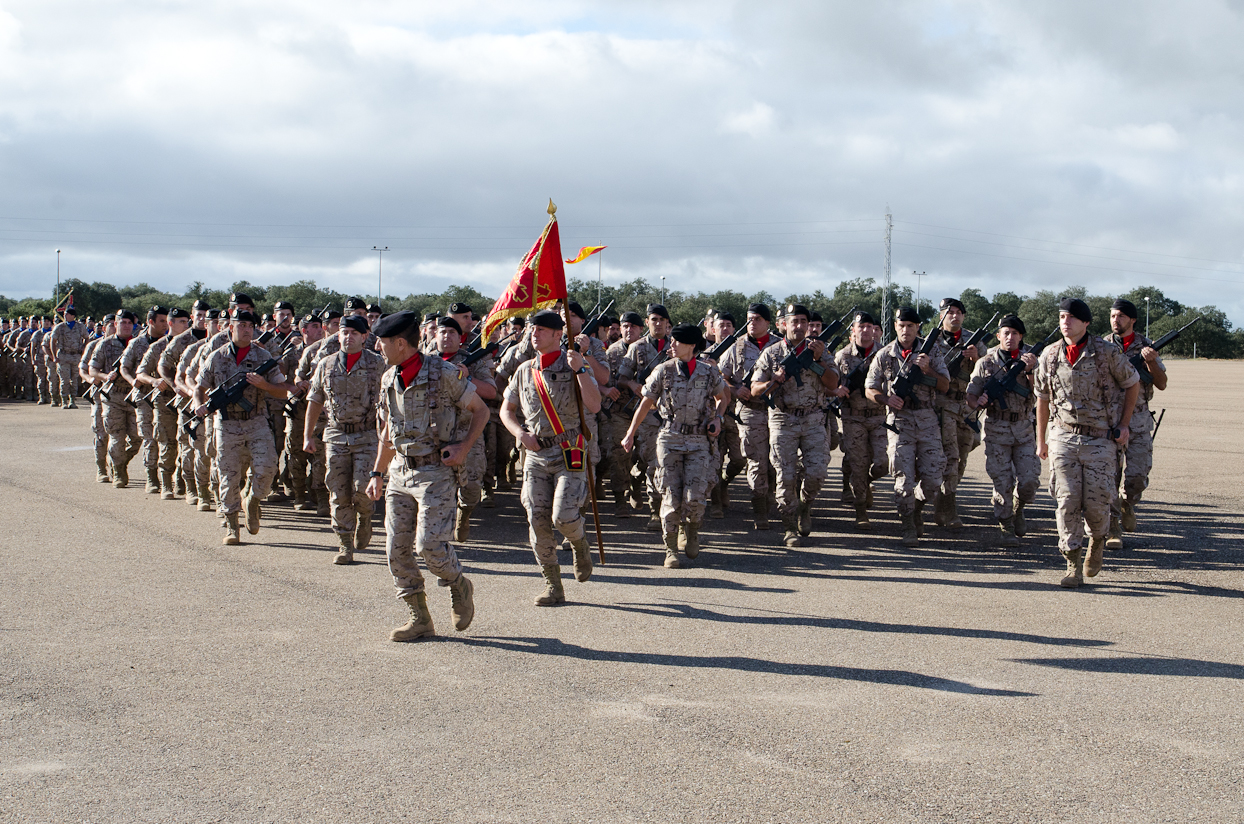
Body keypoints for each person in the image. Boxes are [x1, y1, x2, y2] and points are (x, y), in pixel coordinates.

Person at [367, 310, 486, 641]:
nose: (378, 346)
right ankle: (419, 618)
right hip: (399, 473)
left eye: (383, 341)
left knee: (429, 545)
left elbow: (482, 410)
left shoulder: (444, 373)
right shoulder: (389, 378)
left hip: (435, 471)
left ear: (401, 343)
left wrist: (463, 447)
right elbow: (388, 433)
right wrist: (378, 472)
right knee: (396, 550)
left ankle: (458, 584)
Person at [1035, 297, 1140, 588]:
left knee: (1096, 504)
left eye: (1070, 318)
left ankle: (1097, 540)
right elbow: (1042, 398)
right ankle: (1072, 563)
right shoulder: (1050, 355)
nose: (1064, 322)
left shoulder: (1107, 352)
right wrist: (1040, 440)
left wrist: (1123, 424)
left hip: (1100, 440)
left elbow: (1132, 383)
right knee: (1066, 500)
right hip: (1063, 437)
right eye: (1061, 317)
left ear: (1085, 323)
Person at [500, 309, 601, 605]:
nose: (535, 334)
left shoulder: (575, 365)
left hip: (569, 450)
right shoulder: (524, 370)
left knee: (563, 515)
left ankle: (579, 543)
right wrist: (520, 433)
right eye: (533, 329)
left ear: (559, 335)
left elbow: (594, 405)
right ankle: (553, 584)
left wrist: (581, 369)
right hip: (535, 454)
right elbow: (507, 411)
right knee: (537, 518)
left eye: (542, 330)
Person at [622, 323, 728, 568]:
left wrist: (718, 418)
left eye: (676, 341)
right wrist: (630, 433)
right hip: (670, 437)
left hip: (700, 440)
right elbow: (646, 403)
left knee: (695, 496)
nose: (671, 345)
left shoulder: (708, 372)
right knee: (670, 495)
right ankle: (670, 549)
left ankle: (691, 530)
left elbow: (724, 397)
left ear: (691, 345)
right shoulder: (663, 371)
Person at [192, 309, 290, 545]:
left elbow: (282, 388)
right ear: (230, 328)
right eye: (242, 325)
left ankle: (253, 500)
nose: (247, 329)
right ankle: (231, 526)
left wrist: (264, 385)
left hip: (256, 420)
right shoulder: (216, 356)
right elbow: (199, 387)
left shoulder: (263, 356)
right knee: (228, 475)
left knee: (268, 467)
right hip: (226, 423)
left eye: (250, 326)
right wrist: (198, 405)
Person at [750, 303, 840, 547]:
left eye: (804, 321)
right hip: (782, 418)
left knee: (818, 472)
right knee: (785, 475)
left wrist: (818, 360)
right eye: (794, 321)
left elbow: (833, 383)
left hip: (813, 418)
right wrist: (775, 380)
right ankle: (789, 527)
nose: (799, 326)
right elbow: (755, 389)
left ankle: (805, 505)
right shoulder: (771, 353)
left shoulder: (820, 350)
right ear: (784, 324)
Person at [865, 307, 951, 547]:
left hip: (927, 419)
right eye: (901, 325)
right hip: (899, 422)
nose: (905, 330)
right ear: (895, 326)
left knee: (934, 480)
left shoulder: (932, 351)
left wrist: (928, 370)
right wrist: (886, 399)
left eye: (910, 326)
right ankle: (908, 525)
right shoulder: (884, 354)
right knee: (903, 478)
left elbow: (944, 385)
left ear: (918, 328)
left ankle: (917, 508)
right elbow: (870, 388)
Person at [303, 315, 386, 564]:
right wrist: (307, 435)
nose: (348, 337)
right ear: (338, 336)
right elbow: (315, 399)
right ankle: (344, 544)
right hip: (337, 434)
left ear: (364, 337)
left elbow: (388, 401)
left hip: (367, 434)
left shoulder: (377, 364)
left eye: (354, 333)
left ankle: (365, 517)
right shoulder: (326, 364)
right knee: (338, 492)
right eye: (344, 332)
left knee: (363, 488)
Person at [965, 315, 1041, 546]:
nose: (1010, 337)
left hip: (1025, 428)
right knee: (1002, 481)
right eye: (1006, 333)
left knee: (1029, 481)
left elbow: (1042, 394)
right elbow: (970, 395)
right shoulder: (985, 362)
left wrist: (1029, 371)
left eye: (1015, 333)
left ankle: (1019, 507)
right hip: (997, 428)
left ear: (1021, 337)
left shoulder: (1034, 361)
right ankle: (1005, 523)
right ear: (998, 336)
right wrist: (979, 402)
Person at [1106, 298, 1166, 549]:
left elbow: (1161, 383)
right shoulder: (1101, 346)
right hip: (1109, 418)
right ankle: (1112, 528)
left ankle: (1128, 503)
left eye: (1120, 316)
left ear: (1132, 320)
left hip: (1139, 419)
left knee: (1137, 476)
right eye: (1112, 316)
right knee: (1109, 476)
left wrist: (1150, 361)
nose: (1115, 320)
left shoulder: (1147, 346)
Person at [434, 315, 497, 542]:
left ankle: (465, 513)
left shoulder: (473, 360)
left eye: (452, 333)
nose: (446, 336)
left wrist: (468, 376)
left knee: (471, 487)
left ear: (459, 338)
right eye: (442, 332)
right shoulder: (426, 362)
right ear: (435, 336)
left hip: (466, 433)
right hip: (436, 435)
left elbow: (491, 392)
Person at [717, 303, 779, 530]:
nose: (752, 323)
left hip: (777, 411)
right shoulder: (735, 347)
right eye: (750, 319)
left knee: (776, 461)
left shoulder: (779, 346)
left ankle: (771, 494)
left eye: (758, 319)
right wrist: (733, 390)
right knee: (756, 461)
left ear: (768, 323)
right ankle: (760, 510)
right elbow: (720, 376)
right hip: (749, 411)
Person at [617, 304, 674, 531]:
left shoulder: (676, 346)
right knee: (653, 462)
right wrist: (633, 385)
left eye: (662, 319)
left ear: (667, 323)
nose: (657, 323)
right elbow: (621, 378)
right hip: (648, 414)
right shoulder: (637, 348)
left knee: (669, 463)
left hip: (672, 413)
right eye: (653, 319)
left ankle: (669, 506)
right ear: (647, 322)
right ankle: (655, 509)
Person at [832, 311, 888, 529]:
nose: (866, 330)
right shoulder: (842, 356)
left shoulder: (884, 354)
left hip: (879, 416)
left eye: (870, 327)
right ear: (852, 330)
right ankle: (861, 509)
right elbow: (831, 382)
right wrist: (838, 390)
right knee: (858, 464)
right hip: (853, 417)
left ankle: (867, 482)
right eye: (861, 326)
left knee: (884, 462)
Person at [137, 307, 191, 498]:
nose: (186, 325)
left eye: (187, 321)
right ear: (171, 323)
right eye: (181, 322)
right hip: (165, 400)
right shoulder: (157, 347)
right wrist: (154, 381)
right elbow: (141, 373)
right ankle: (165, 482)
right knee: (167, 441)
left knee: (187, 442)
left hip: (185, 401)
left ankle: (183, 481)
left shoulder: (192, 345)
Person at [89, 310, 142, 487]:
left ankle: (119, 461)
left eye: (129, 322)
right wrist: (105, 377)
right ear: (116, 324)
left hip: (134, 396)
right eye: (123, 322)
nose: (127, 325)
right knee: (116, 436)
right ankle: (118, 471)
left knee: (137, 437)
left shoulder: (137, 344)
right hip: (113, 397)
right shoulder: (104, 345)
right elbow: (92, 370)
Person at [599, 311, 645, 517]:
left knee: (646, 455)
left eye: (633, 326)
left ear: (641, 329)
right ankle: (620, 499)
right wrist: (609, 389)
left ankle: (636, 481)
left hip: (645, 411)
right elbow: (601, 378)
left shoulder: (649, 351)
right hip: (618, 411)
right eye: (625, 326)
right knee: (618, 454)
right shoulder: (611, 352)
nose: (628, 330)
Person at [120, 306, 169, 493]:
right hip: (143, 396)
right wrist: (133, 381)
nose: (165, 324)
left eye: (166, 321)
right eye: (162, 321)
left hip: (164, 396)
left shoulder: (169, 342)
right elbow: (124, 367)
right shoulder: (136, 343)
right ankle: (151, 476)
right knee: (148, 437)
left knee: (163, 435)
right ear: (151, 322)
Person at [80, 314, 116, 481]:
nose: (113, 328)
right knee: (101, 433)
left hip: (120, 398)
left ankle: (117, 465)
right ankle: (101, 467)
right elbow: (83, 368)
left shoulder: (127, 345)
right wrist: (89, 379)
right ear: (104, 327)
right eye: (110, 325)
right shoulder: (94, 345)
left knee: (123, 436)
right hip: (100, 395)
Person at [50, 307, 90, 408]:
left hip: (76, 356)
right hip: (63, 356)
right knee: (64, 380)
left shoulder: (80, 327)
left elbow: (87, 338)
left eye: (67, 314)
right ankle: (64, 400)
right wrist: (54, 356)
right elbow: (52, 341)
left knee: (75, 379)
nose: (65, 316)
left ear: (73, 316)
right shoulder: (60, 327)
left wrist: (83, 349)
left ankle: (72, 400)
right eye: (64, 314)